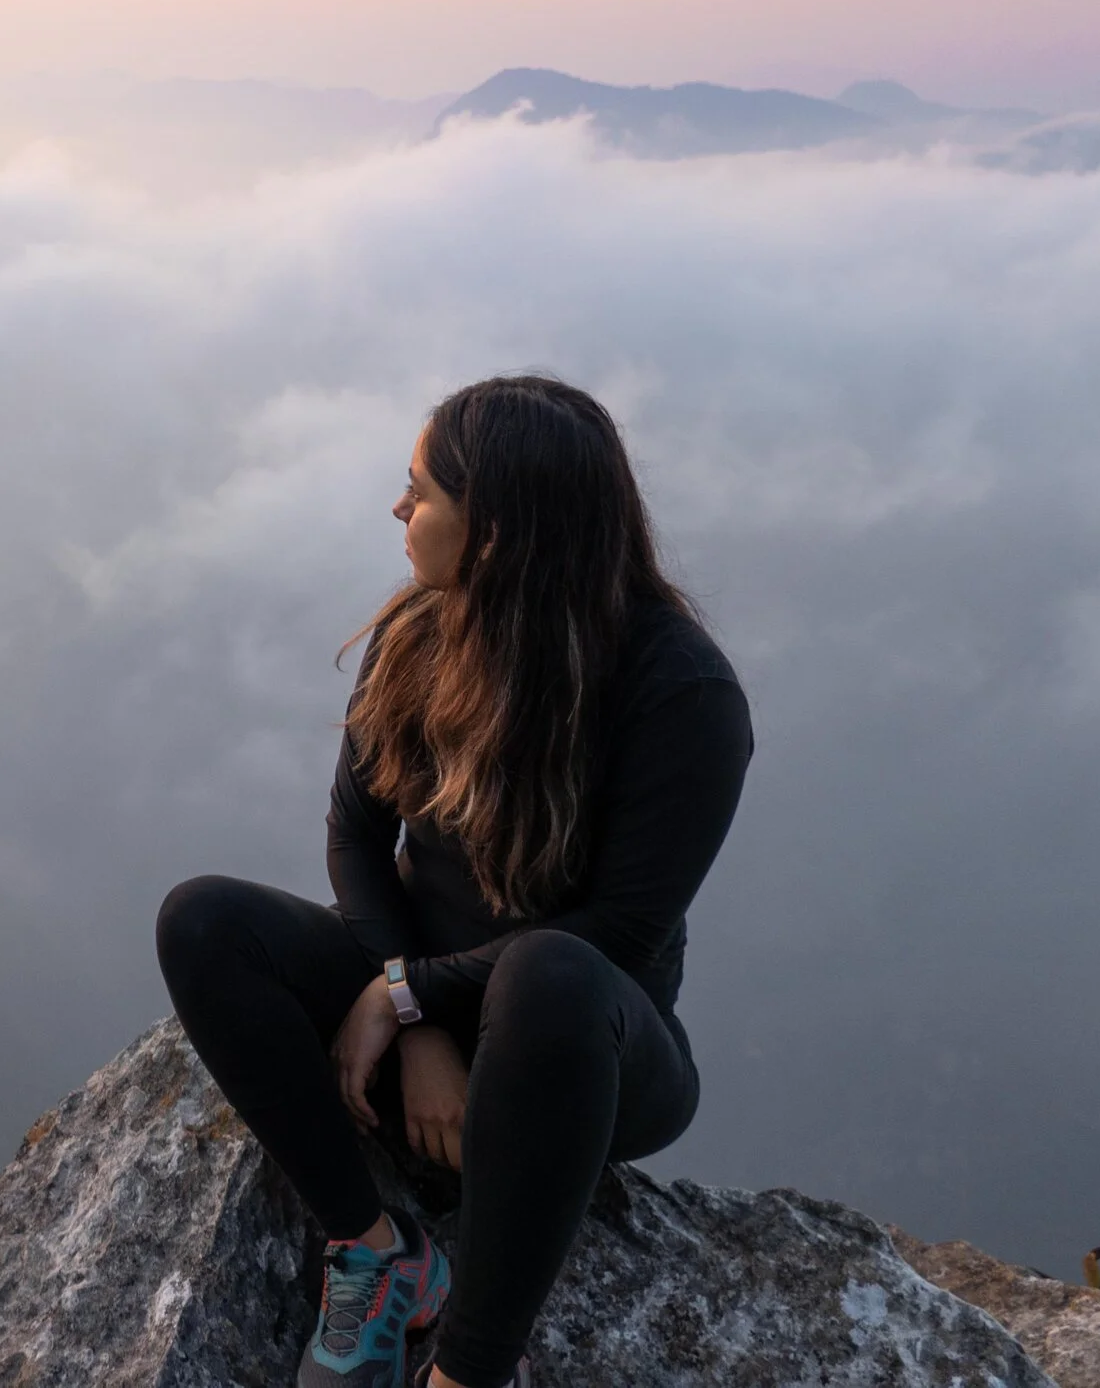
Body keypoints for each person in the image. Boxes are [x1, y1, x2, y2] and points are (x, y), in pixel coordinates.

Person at [153, 375, 753, 1388]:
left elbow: (619, 930)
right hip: (412, 1000)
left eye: (421, 490)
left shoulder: (679, 691)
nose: (399, 508)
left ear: (494, 531)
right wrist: (414, 1017)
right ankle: (376, 1249)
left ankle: (471, 1368)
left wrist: (407, 994)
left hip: (578, 1054)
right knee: (203, 919)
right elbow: (355, 837)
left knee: (550, 971)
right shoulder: (419, 633)